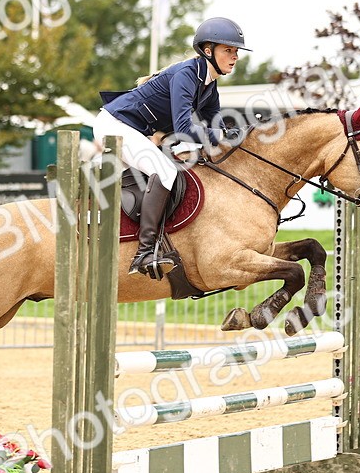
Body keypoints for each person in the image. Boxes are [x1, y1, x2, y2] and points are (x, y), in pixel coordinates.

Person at [94, 16, 246, 279]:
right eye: (228, 50)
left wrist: (238, 135)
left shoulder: (209, 86)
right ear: (208, 51)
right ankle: (145, 252)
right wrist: (219, 134)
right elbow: (185, 128)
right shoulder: (187, 75)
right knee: (165, 172)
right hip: (115, 125)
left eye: (236, 52)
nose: (235, 57)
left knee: (169, 168)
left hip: (132, 130)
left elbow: (215, 124)